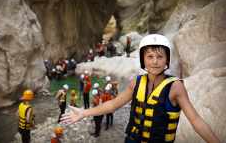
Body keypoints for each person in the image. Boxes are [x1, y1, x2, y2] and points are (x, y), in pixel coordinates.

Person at [60, 34, 221, 143]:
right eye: (150, 56)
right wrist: (83, 113)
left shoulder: (175, 86)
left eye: (160, 56)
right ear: (143, 60)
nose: (155, 62)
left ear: (167, 60)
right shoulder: (136, 82)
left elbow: (196, 121)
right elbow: (113, 104)